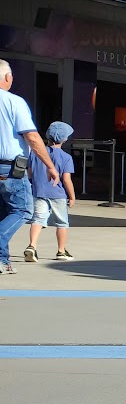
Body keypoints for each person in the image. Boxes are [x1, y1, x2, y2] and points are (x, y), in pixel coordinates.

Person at [0, 61, 58, 277]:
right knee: (23, 210)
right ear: (7, 78)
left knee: (3, 213)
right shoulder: (14, 102)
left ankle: (2, 261)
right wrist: (50, 165)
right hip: (10, 168)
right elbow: (32, 137)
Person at [22, 120, 77, 262]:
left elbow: (29, 173)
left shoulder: (35, 154)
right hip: (58, 194)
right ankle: (61, 251)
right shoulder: (66, 157)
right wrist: (72, 196)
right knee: (62, 222)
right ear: (65, 139)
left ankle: (32, 246)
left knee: (38, 219)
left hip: (39, 191)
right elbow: (66, 180)